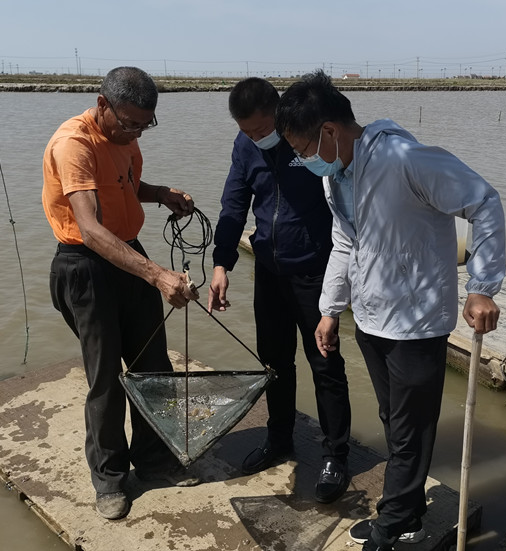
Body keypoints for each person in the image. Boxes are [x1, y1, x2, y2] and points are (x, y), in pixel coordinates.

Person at [275, 70, 506, 551]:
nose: (304, 160)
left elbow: (483, 201)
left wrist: (482, 287)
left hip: (416, 321)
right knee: (394, 420)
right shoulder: (337, 177)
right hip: (372, 317)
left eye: (303, 149)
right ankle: (409, 515)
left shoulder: (405, 159)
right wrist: (329, 309)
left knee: (408, 431)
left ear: (330, 131)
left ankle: (392, 525)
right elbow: (345, 242)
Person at [42, 66, 200, 521]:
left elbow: (126, 187)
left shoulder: (126, 139)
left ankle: (154, 460)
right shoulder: (74, 144)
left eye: (145, 125)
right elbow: (90, 228)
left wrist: (161, 193)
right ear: (102, 104)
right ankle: (109, 478)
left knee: (153, 367)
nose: (136, 132)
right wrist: (158, 275)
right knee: (106, 376)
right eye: (130, 123)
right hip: (84, 265)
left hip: (128, 253)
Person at [208, 77, 352, 503]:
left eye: (261, 129)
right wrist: (222, 263)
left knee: (325, 362)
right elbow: (234, 203)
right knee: (273, 361)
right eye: (246, 131)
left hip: (315, 270)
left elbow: (344, 203)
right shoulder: (245, 145)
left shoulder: (306, 139)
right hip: (269, 271)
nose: (256, 138)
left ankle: (335, 454)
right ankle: (279, 438)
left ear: (280, 113)